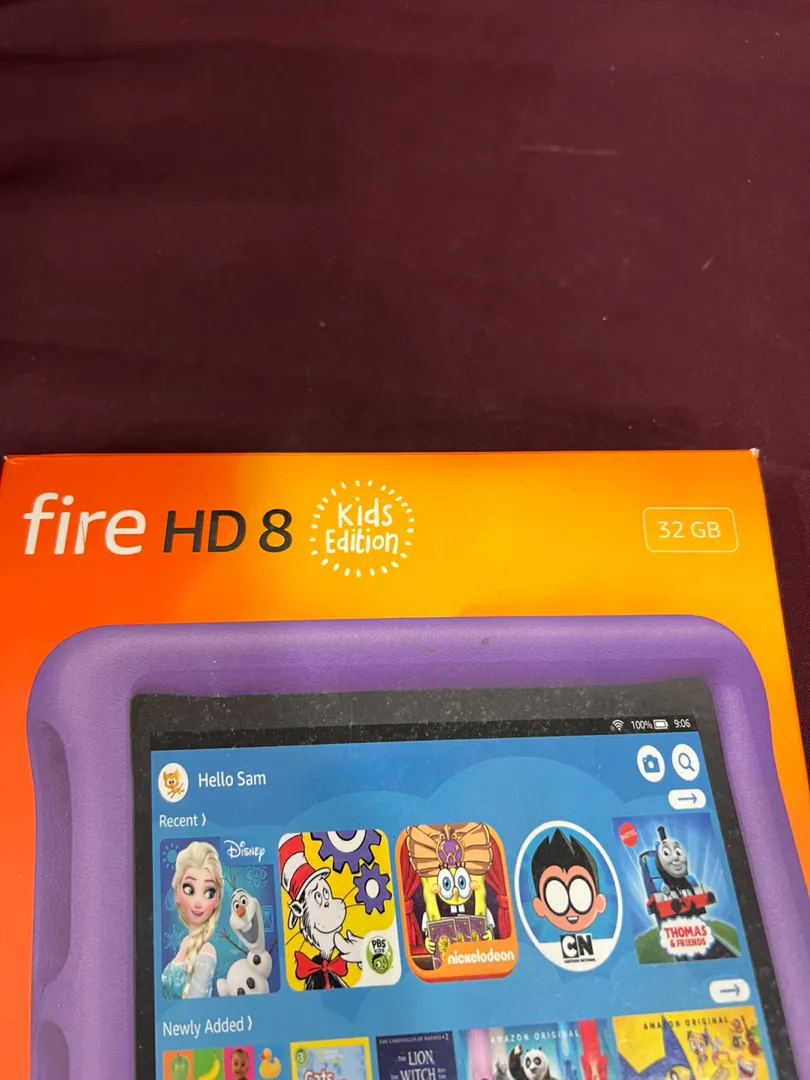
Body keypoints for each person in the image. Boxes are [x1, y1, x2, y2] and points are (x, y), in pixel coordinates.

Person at [161, 841, 223, 998]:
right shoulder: (185, 942)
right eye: (189, 889)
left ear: (217, 899)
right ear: (176, 893)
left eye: (209, 893)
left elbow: (195, 1006)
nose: (198, 903)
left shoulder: (207, 950)